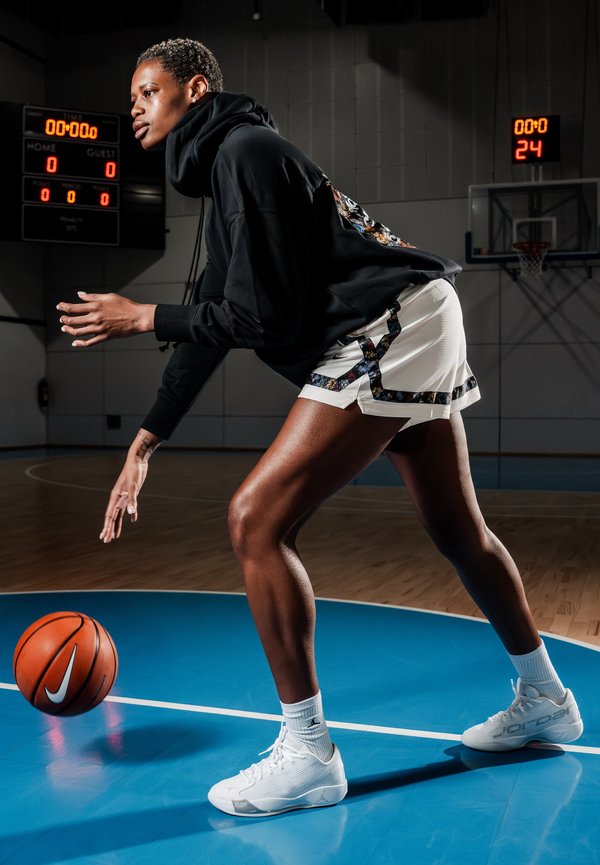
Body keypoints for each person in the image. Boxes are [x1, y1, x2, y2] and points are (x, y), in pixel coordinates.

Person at [57, 37, 583, 818]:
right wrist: (145, 441)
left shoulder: (246, 155)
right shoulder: (234, 170)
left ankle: (307, 751)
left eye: (146, 90)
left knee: (255, 519)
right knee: (456, 527)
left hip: (389, 325)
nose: (132, 105)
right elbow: (216, 324)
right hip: (414, 317)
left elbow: (256, 317)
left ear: (194, 89)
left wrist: (143, 315)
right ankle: (547, 696)